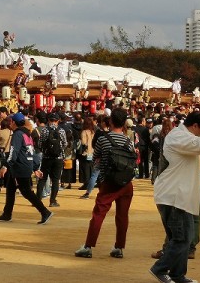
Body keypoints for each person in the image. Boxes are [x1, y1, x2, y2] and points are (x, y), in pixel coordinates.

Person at [150, 111, 200, 283]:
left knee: (181, 239)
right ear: (195, 126)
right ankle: (160, 269)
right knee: (183, 238)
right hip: (174, 196)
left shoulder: (181, 136)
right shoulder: (179, 137)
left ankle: (177, 275)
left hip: (176, 195)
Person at [75, 108, 134, 259]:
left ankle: (88, 246)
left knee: (99, 214)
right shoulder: (128, 141)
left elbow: (96, 159)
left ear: (111, 121)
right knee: (122, 216)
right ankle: (119, 247)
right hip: (126, 183)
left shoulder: (103, 139)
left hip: (109, 182)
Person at [0, 112, 53, 224]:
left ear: (13, 122)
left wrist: (5, 166)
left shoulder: (17, 134)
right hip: (25, 164)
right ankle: (7, 213)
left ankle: (45, 212)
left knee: (26, 191)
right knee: (10, 189)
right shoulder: (27, 134)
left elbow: (13, 151)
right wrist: (35, 167)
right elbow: (32, 151)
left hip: (20, 166)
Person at [37, 112, 67, 208]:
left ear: (48, 120)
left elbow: (40, 144)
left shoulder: (45, 130)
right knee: (55, 180)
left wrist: (45, 150)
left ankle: (38, 200)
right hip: (58, 158)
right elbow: (65, 143)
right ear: (58, 121)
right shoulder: (61, 131)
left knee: (42, 179)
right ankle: (52, 200)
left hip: (46, 158)